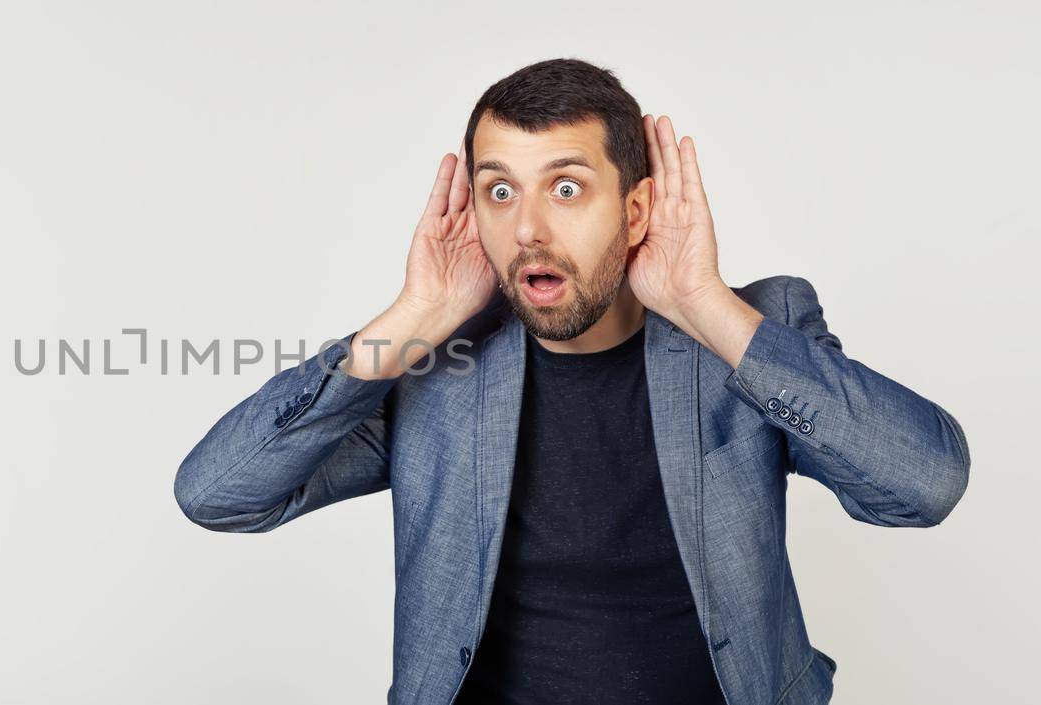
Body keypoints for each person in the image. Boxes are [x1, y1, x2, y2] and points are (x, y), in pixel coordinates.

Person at [171, 58, 971, 705]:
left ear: (635, 210)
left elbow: (924, 482)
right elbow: (220, 492)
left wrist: (705, 305)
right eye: (499, 190)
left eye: (565, 188)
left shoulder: (753, 330)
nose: (527, 228)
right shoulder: (437, 371)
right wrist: (416, 313)